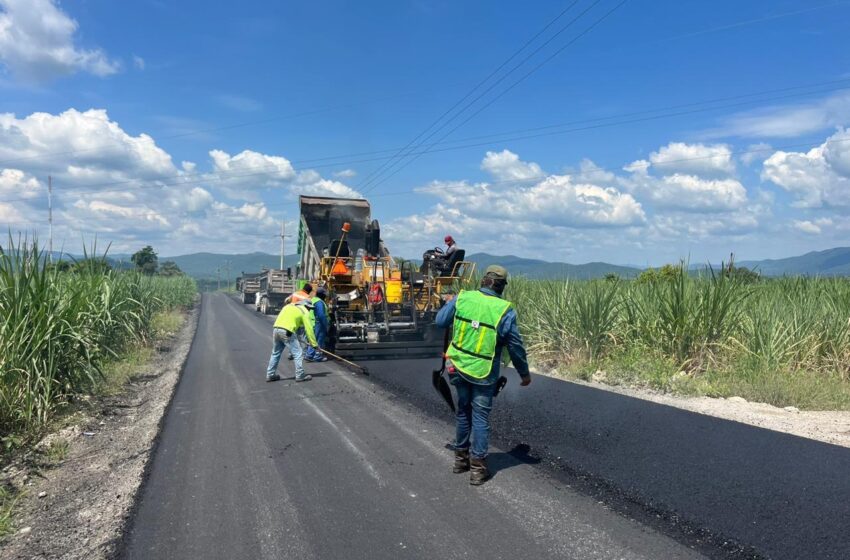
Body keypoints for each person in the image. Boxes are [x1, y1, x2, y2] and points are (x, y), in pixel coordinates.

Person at [435, 265, 531, 485]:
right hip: (484, 373)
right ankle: (478, 470)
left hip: (457, 367)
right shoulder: (504, 310)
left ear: (483, 281)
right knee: (480, 417)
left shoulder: (463, 298)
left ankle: (460, 461)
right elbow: (515, 346)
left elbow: (440, 321)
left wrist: (452, 302)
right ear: (501, 286)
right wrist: (524, 374)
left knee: (463, 411)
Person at [267, 300, 319, 383]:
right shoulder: (304, 311)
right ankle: (300, 375)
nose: (309, 310)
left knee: (275, 353)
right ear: (305, 306)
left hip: (276, 329)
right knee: (298, 353)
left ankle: (270, 374)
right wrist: (314, 344)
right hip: (288, 331)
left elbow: (290, 321)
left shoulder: (288, 307)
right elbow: (309, 330)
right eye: (309, 308)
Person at [305, 287, 329, 362]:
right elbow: (321, 315)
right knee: (319, 340)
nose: (325, 297)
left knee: (313, 339)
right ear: (322, 295)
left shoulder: (313, 300)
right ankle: (317, 356)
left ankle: (309, 355)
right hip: (318, 323)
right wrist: (326, 325)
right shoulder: (319, 302)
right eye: (324, 295)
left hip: (311, 322)